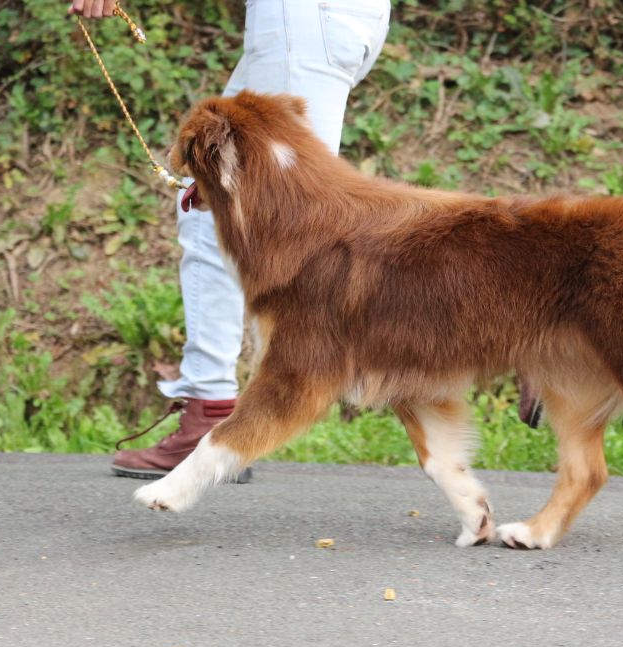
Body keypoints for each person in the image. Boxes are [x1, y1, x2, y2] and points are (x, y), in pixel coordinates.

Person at [68, 0, 391, 479]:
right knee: (228, 211)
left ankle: (211, 415)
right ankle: (212, 409)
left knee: (253, 217)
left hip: (300, 21)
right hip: (322, 22)